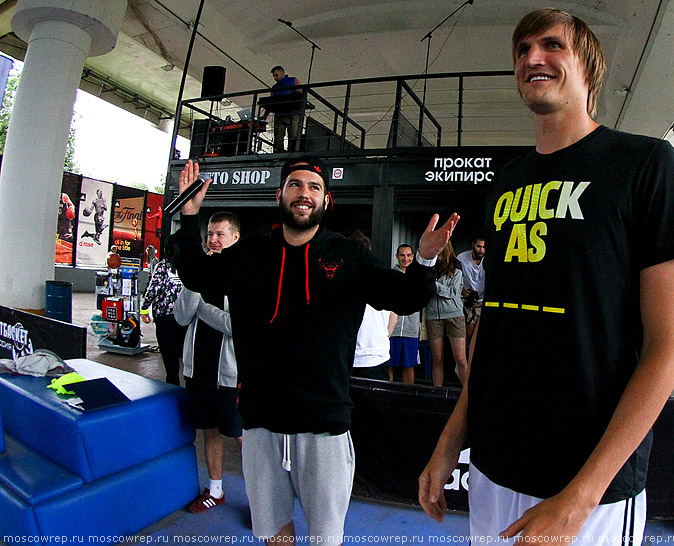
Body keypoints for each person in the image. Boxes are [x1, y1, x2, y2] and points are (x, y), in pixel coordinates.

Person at [418, 8, 674, 545]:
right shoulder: (506, 183)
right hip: (493, 467)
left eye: (552, 45)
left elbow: (669, 349)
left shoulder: (646, 165)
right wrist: (449, 442)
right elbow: (494, 332)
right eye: (522, 49)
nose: (533, 57)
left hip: (585, 485)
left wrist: (581, 496)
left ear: (588, 68)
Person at [173, 155, 458, 545]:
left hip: (323, 424)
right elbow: (196, 272)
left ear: (326, 201)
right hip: (261, 422)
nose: (303, 194)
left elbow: (406, 297)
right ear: (279, 196)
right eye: (294, 185)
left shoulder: (349, 257)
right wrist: (189, 217)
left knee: (326, 538)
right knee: (273, 532)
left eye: (313, 187)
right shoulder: (250, 254)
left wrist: (424, 259)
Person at [173, 211, 242, 514]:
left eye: (220, 235)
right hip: (197, 370)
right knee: (208, 430)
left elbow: (236, 326)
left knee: (244, 438)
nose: (213, 240)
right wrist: (193, 281)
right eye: (209, 235)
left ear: (234, 238)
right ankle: (215, 490)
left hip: (229, 374)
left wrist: (203, 310)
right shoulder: (196, 272)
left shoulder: (244, 276)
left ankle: (267, 502)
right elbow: (180, 316)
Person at [140, 235, 186, 386]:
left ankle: (173, 391)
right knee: (186, 360)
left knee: (170, 362)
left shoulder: (163, 266)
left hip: (164, 318)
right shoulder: (189, 267)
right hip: (185, 318)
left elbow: (153, 289)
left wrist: (144, 308)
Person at [350, 231, 395, 381]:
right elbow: (393, 317)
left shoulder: (342, 279)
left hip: (362, 357)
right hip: (375, 356)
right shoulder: (384, 278)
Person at [425, 241, 469, 387]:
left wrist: (434, 284)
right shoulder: (429, 266)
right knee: (437, 359)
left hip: (454, 314)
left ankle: (467, 394)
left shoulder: (455, 266)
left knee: (461, 359)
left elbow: (453, 292)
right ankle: (436, 392)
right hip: (433, 315)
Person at [389, 244, 421, 384]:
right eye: (402, 255)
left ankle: (408, 397)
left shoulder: (417, 276)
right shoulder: (390, 275)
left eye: (408, 255)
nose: (405, 258)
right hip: (392, 330)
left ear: (413, 257)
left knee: (408, 365)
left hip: (410, 330)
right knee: (388, 364)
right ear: (397, 256)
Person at [456, 235, 485, 341]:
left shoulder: (490, 259)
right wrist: (461, 288)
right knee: (466, 332)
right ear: (473, 245)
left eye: (484, 247)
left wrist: (484, 302)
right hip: (466, 301)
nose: (481, 250)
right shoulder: (462, 258)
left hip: (483, 302)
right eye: (479, 246)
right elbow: (453, 278)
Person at [270, 65, 302, 153]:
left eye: (276, 75)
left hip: (292, 113)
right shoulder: (274, 87)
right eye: (274, 76)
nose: (275, 77)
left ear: (282, 73)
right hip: (280, 114)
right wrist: (264, 116)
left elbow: (300, 93)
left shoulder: (293, 80)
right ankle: (278, 153)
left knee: (293, 135)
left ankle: (291, 154)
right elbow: (270, 102)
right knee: (278, 137)